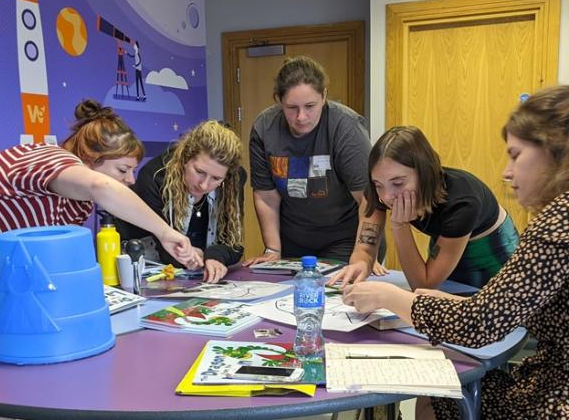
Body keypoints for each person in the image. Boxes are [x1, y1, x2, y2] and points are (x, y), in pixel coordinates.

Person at [343, 85, 569, 419]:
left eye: (516, 155)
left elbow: (481, 324)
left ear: (556, 154)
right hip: (548, 369)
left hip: (553, 392)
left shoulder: (555, 224)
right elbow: (500, 309)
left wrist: (388, 297)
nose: (506, 172)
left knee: (440, 388)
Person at [0, 99, 197, 298]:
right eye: (123, 170)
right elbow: (100, 186)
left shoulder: (75, 204)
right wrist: (164, 231)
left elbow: (32, 259)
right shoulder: (48, 158)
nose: (130, 180)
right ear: (91, 158)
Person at [330, 125, 519, 290]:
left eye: (398, 183)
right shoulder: (382, 188)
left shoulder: (462, 203)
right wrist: (361, 262)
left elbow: (423, 284)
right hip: (447, 242)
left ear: (424, 174)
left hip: (492, 252)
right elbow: (364, 248)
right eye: (378, 184)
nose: (386, 196)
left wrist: (400, 226)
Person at [243, 55, 386, 271]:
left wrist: (364, 253)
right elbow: (266, 196)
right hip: (293, 240)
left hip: (346, 240)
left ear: (324, 96)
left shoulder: (346, 128)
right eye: (292, 107)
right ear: (279, 100)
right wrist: (272, 249)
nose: (301, 117)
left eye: (310, 106)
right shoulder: (265, 128)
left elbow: (369, 200)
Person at [116, 120, 245, 283]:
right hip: (146, 268)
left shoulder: (233, 180)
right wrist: (203, 256)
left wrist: (214, 257)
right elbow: (168, 252)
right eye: (199, 171)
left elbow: (235, 244)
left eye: (216, 178)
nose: (204, 185)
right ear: (185, 159)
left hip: (195, 274)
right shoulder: (155, 176)